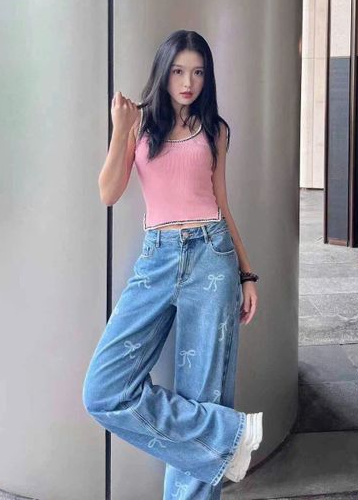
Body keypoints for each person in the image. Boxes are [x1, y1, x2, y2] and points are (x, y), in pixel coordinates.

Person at [82, 30, 263, 499]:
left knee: (203, 395)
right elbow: (108, 192)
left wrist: (246, 273)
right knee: (103, 389)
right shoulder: (140, 125)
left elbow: (222, 203)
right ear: (164, 72)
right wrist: (120, 128)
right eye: (179, 71)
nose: (188, 82)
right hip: (157, 257)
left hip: (212, 257)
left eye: (198, 72)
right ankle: (230, 437)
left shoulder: (215, 130)